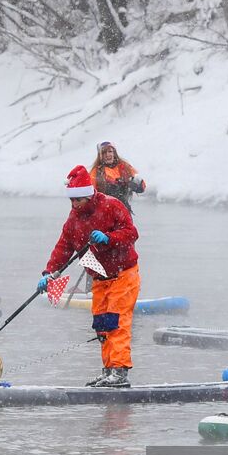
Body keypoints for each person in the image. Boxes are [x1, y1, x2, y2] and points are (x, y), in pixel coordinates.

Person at [40, 165, 141, 387]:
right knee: (102, 326)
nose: (74, 205)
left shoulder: (112, 205)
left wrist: (109, 237)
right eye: (71, 201)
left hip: (123, 274)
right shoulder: (73, 219)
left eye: (78, 201)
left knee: (117, 323)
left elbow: (132, 233)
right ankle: (108, 371)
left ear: (88, 195)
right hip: (99, 278)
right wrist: (49, 273)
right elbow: (63, 247)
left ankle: (120, 372)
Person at [91, 142, 146, 214]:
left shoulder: (124, 167)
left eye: (110, 151)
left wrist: (136, 185)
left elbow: (142, 185)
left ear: (114, 153)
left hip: (124, 212)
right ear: (100, 156)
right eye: (104, 153)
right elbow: (90, 196)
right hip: (105, 213)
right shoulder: (95, 172)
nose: (107, 155)